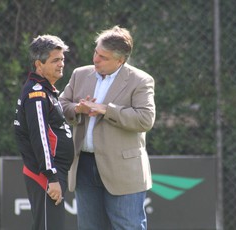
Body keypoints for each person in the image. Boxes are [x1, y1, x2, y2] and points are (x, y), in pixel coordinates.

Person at [59, 26, 156, 230]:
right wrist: (78, 108)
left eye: (103, 57)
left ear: (120, 61)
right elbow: (60, 105)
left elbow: (145, 119)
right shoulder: (80, 74)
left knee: (127, 226)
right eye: (96, 52)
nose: (95, 59)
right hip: (84, 165)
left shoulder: (141, 80)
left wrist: (105, 110)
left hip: (123, 169)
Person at [14, 34, 74, 230]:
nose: (61, 64)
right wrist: (51, 177)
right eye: (55, 60)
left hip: (53, 173)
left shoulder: (46, 90)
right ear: (39, 64)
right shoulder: (37, 92)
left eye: (62, 59)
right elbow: (39, 136)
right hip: (46, 175)